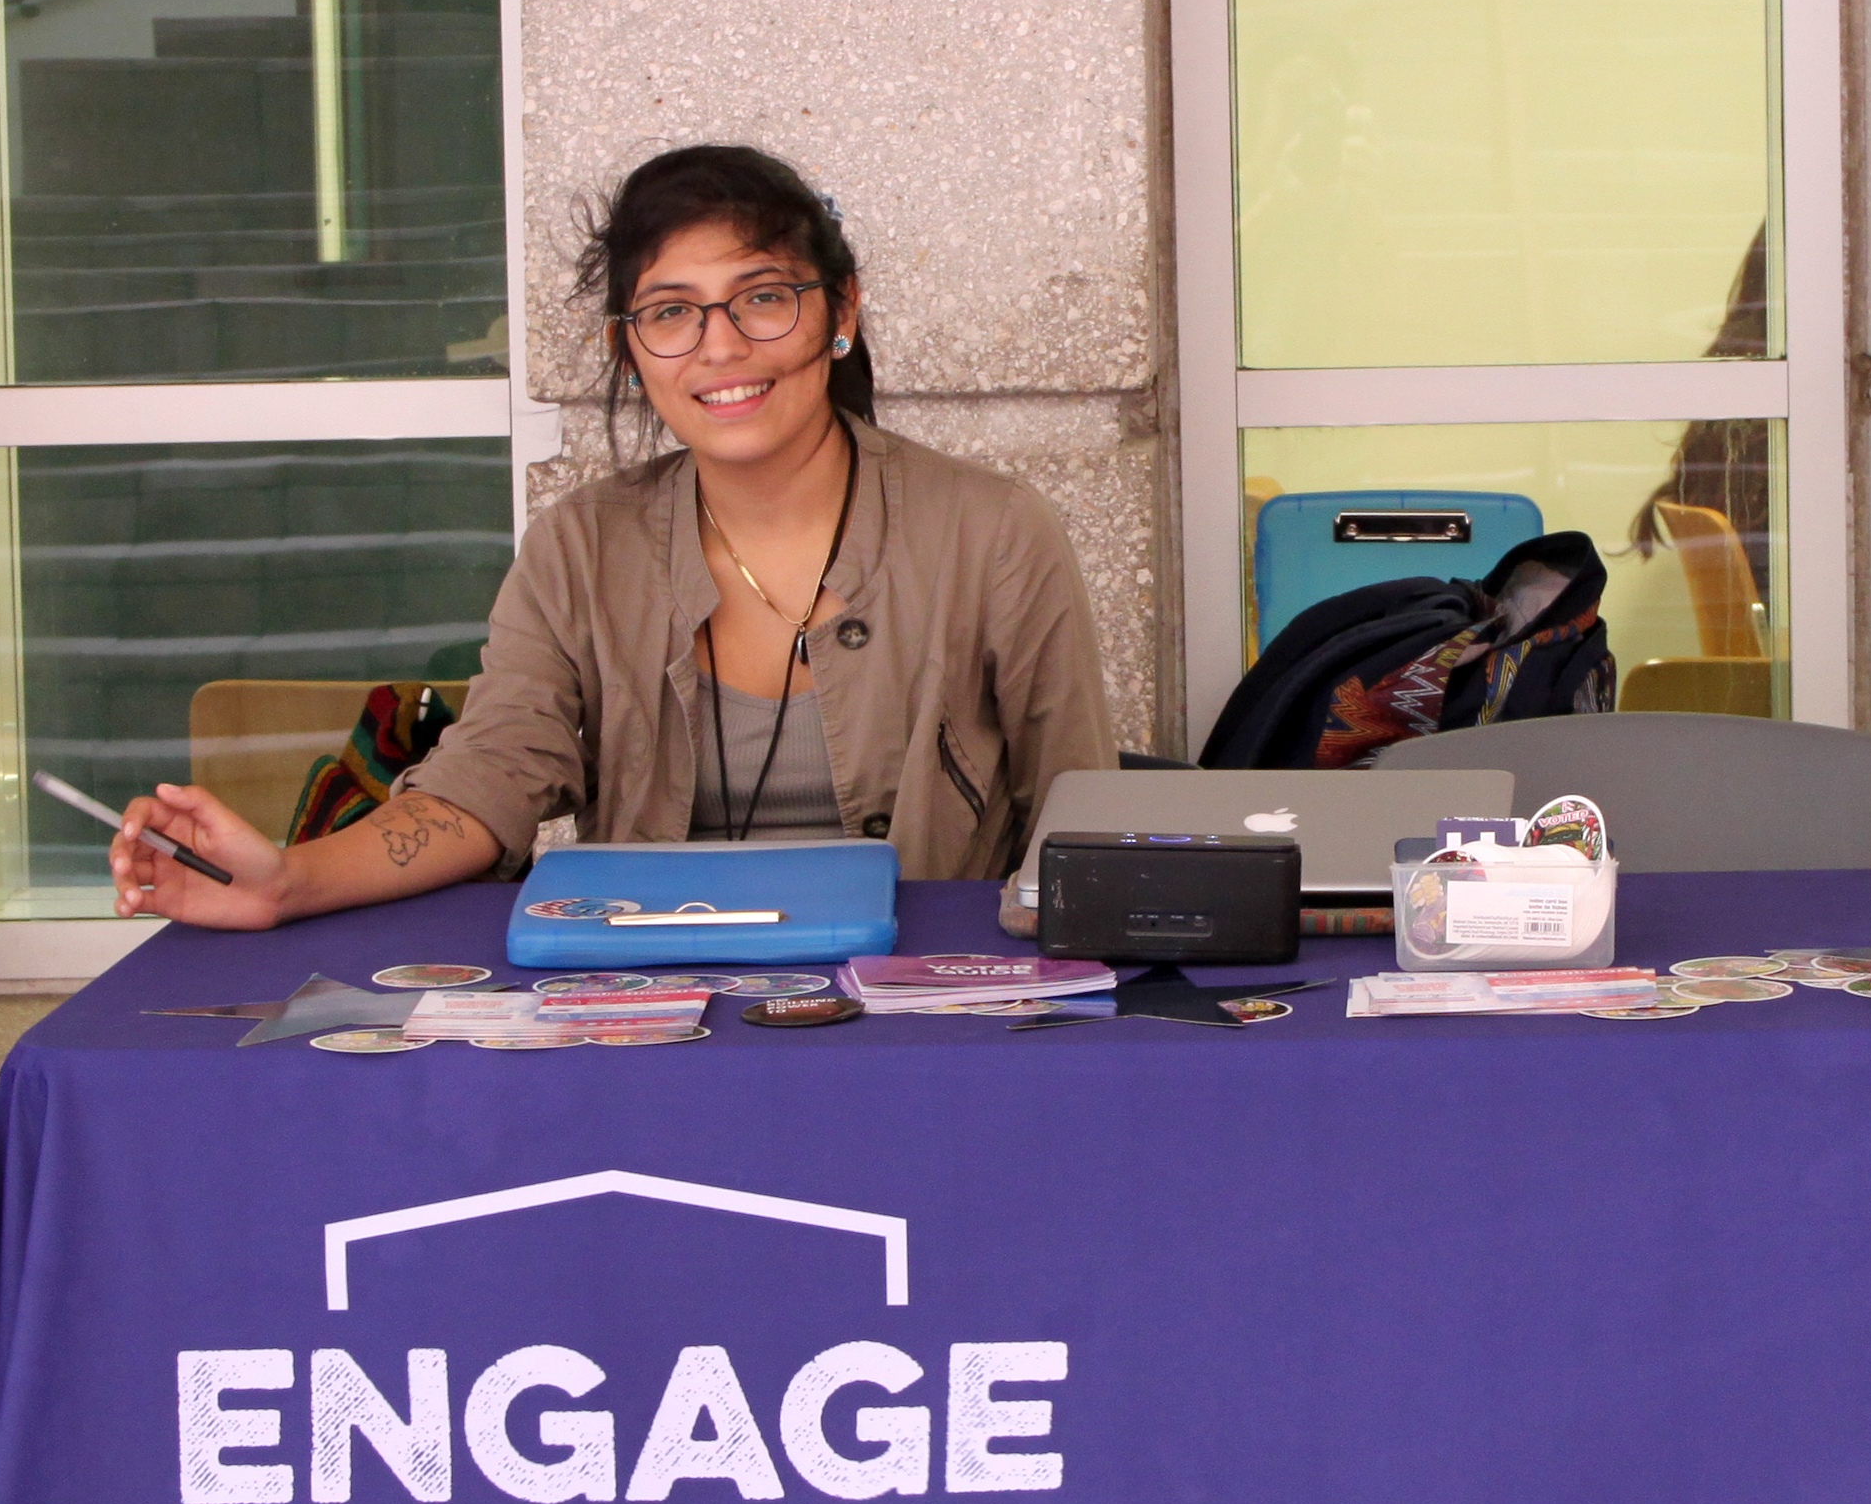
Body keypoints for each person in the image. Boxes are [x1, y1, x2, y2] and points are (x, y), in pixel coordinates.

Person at [108, 144, 1119, 922]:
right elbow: (484, 783)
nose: (721, 346)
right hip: (651, 1023)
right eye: (672, 313)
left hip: (920, 1025)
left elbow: (1082, 817)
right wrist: (287, 880)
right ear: (629, 350)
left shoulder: (991, 532)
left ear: (840, 311)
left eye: (764, 298)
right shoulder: (582, 549)